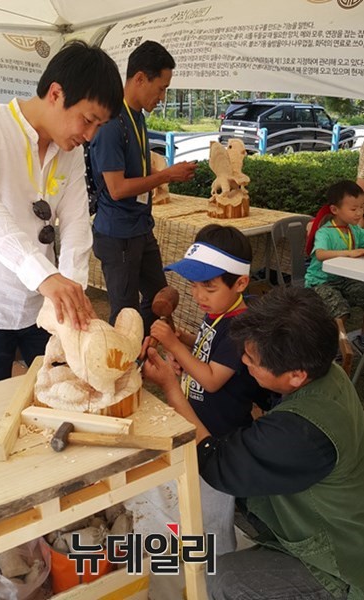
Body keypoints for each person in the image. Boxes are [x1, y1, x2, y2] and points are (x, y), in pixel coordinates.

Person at [143, 286, 364, 599]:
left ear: (296, 376)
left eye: (251, 359)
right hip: (340, 516)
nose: (242, 361)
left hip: (340, 560)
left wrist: (171, 388)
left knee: (225, 581)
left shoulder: (299, 432)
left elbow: (216, 461)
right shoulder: (327, 373)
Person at [0, 40, 123, 389]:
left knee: (59, 387)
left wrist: (73, 293)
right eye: (88, 120)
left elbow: (79, 222)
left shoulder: (68, 150)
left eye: (99, 126)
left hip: (43, 305)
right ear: (55, 93)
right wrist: (44, 276)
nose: (90, 135)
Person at [147, 224, 270, 554]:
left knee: (212, 513)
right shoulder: (218, 312)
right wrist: (185, 344)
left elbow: (213, 378)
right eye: (193, 286)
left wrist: (175, 345)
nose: (198, 295)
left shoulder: (239, 325)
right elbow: (207, 350)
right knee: (193, 503)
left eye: (208, 287)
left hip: (219, 438)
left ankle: (220, 571)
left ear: (240, 282)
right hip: (199, 424)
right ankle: (195, 552)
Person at [89, 40, 197, 335]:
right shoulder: (111, 122)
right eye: (161, 87)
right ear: (139, 78)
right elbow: (117, 188)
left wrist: (163, 173)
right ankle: (124, 371)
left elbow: (135, 173)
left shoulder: (136, 116)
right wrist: (166, 177)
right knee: (126, 313)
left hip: (139, 226)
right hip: (118, 233)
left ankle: (148, 359)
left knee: (160, 298)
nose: (162, 97)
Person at [305, 180, 364, 346]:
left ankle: (361, 339)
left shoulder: (354, 230)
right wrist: (349, 253)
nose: (359, 213)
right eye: (353, 209)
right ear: (335, 210)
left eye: (362, 207)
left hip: (345, 280)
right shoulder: (325, 232)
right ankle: (336, 346)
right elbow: (320, 254)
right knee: (339, 310)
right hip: (320, 282)